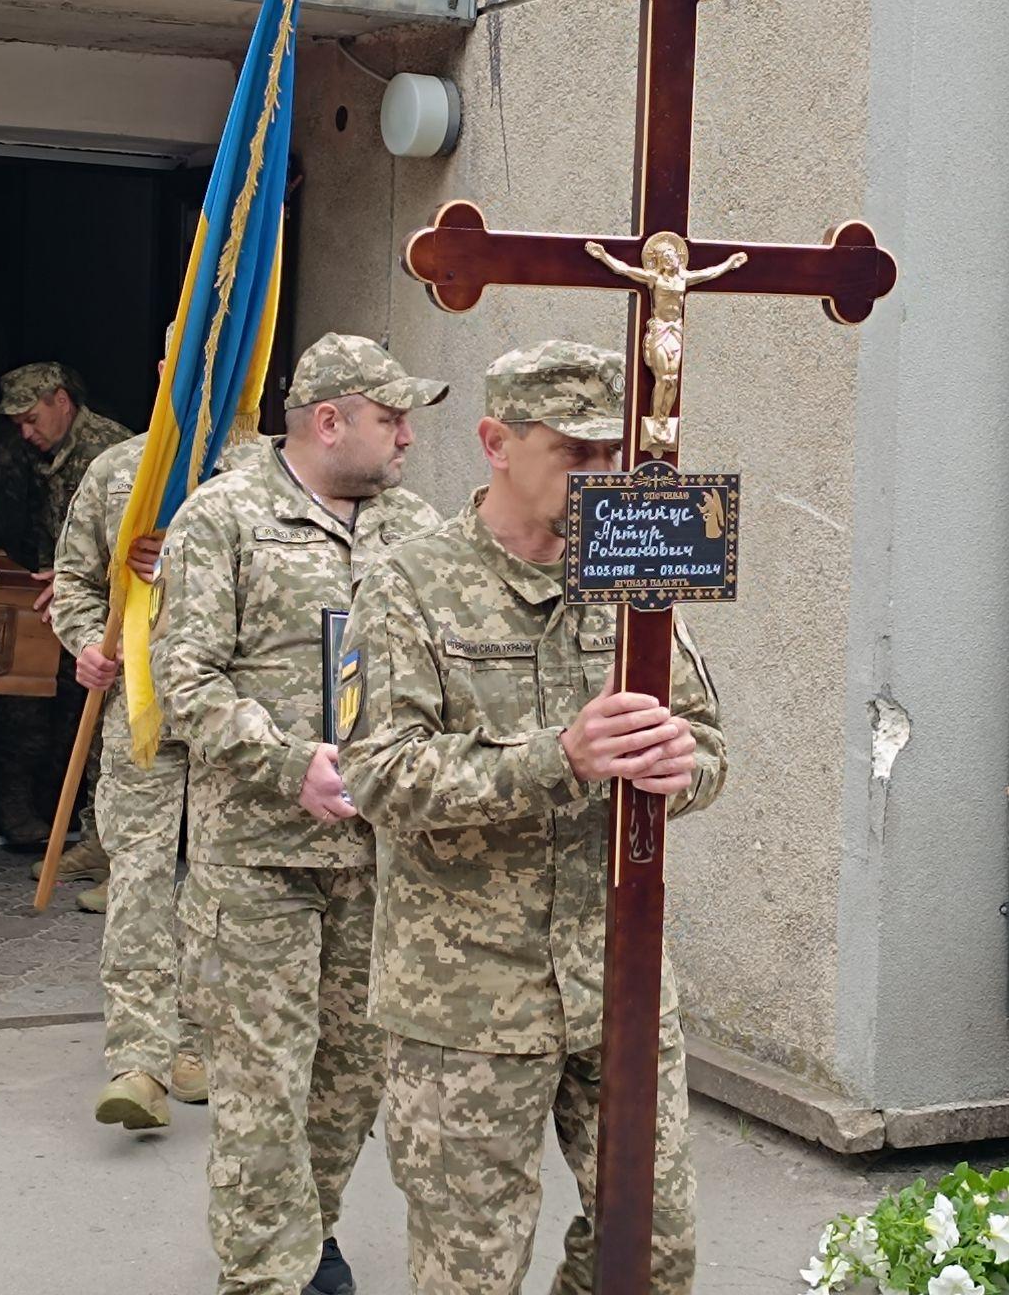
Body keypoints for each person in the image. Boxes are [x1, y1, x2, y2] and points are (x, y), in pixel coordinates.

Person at [338, 340, 727, 1295]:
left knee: (656, 1252)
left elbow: (707, 738)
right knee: (473, 1273)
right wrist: (561, 758)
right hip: (466, 1004)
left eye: (613, 456)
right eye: (575, 454)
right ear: (495, 443)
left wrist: (686, 765)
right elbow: (380, 777)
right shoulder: (408, 583)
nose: (602, 479)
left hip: (619, 983)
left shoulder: (638, 560)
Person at [153, 333, 447, 1295]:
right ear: (330, 421)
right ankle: (266, 1275)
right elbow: (183, 677)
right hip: (260, 861)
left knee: (350, 1076)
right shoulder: (224, 519)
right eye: (390, 417)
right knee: (260, 1083)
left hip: (378, 858)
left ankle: (307, 1231)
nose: (407, 436)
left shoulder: (417, 529)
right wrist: (288, 765)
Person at [50, 351, 209, 1128]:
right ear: (164, 371)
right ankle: (140, 1057)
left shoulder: (268, 476)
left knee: (222, 884)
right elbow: (74, 581)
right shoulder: (119, 474)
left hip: (235, 719)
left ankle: (201, 1037)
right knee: (141, 881)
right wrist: (86, 640)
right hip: (140, 711)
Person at [0, 362, 131, 861]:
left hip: (94, 608)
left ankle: (96, 841)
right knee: (20, 708)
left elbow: (142, 543)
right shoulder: (26, 454)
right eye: (18, 425)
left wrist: (77, 577)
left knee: (92, 725)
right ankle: (29, 817)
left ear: (61, 402)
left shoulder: (114, 455)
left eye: (31, 419)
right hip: (38, 602)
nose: (25, 433)